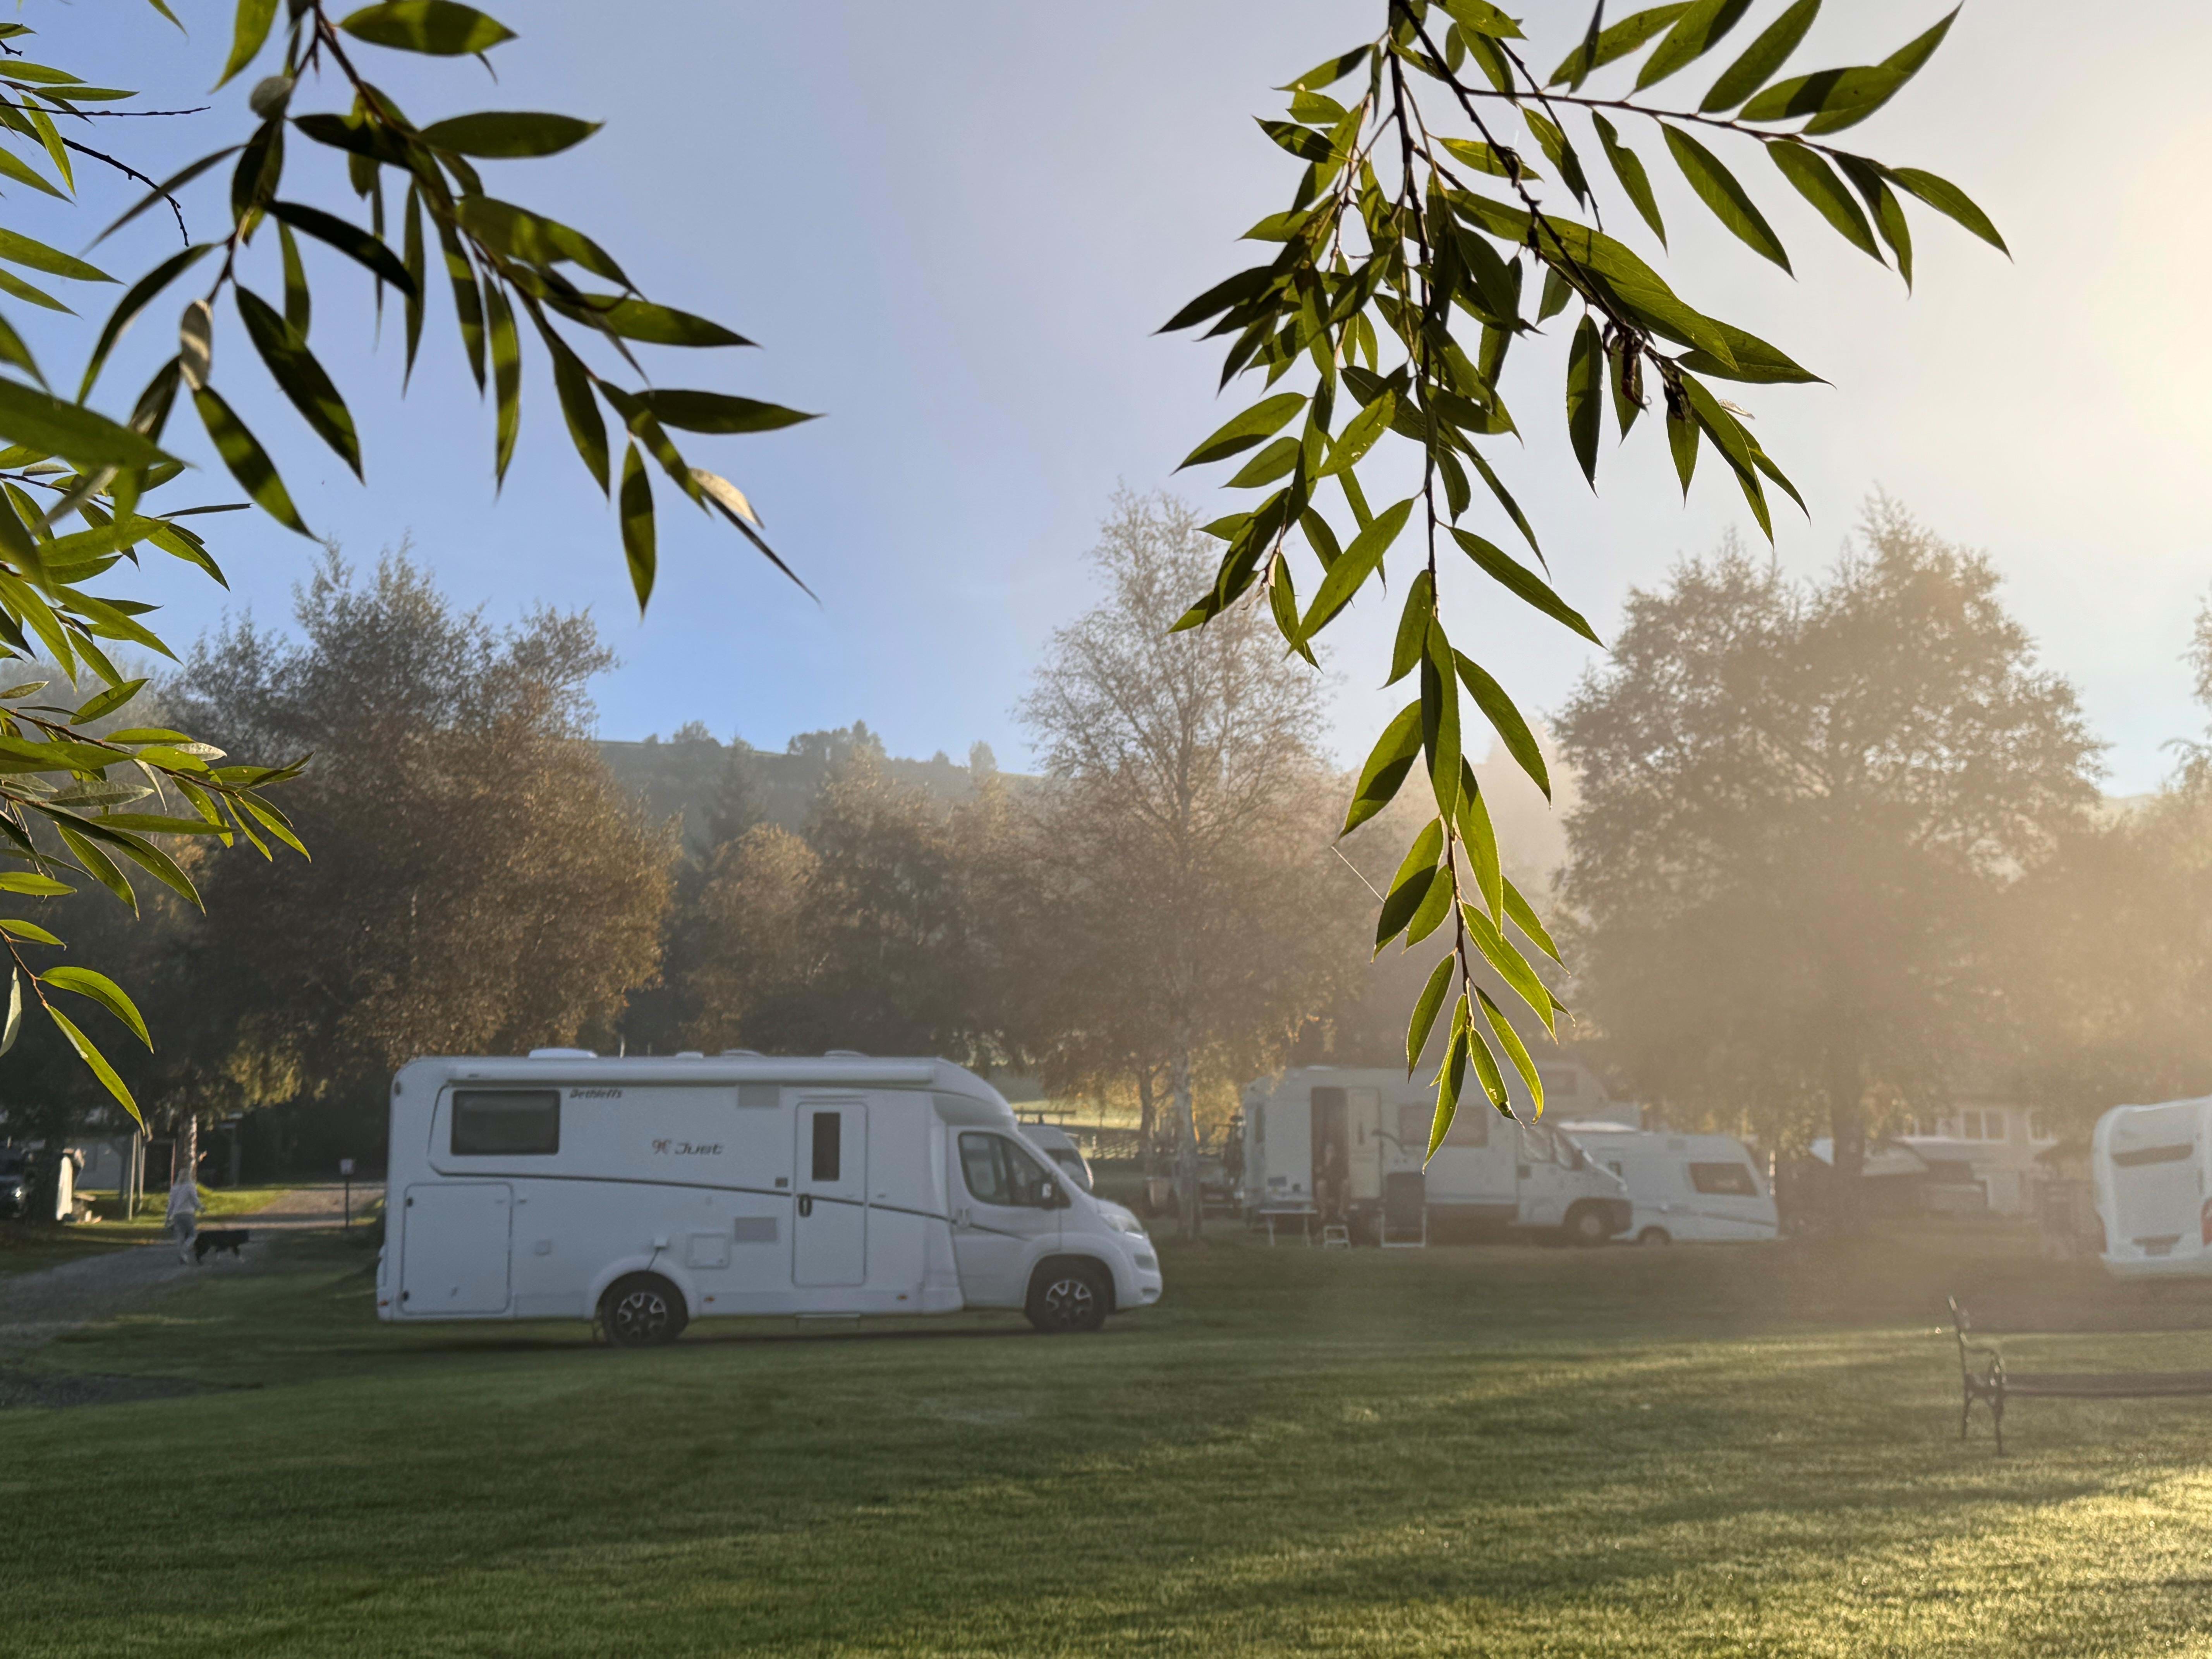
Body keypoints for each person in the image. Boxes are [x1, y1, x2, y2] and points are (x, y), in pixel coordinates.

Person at [165, 1170, 201, 1264]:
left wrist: (168, 1217)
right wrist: (201, 1207)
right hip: (188, 1213)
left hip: (177, 1215)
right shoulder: (190, 1187)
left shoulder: (175, 1188)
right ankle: (185, 1250)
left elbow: (171, 1204)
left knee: (180, 1236)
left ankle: (183, 1256)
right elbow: (194, 1199)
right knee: (193, 1234)